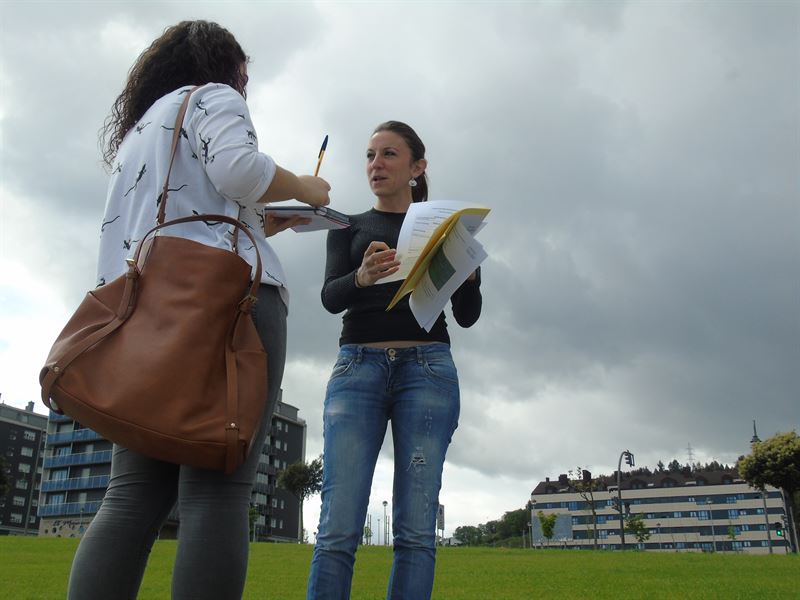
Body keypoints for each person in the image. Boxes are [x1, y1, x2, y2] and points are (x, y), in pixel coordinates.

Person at [66, 20, 330, 600]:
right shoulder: (215, 98)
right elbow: (239, 169)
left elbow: (186, 210)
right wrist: (305, 189)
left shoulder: (140, 130)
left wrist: (264, 220)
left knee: (132, 497)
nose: (245, 86)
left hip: (146, 317)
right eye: (244, 74)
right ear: (227, 67)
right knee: (217, 490)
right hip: (226, 307)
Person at [306, 121, 482, 600]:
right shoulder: (348, 226)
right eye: (369, 155)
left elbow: (466, 318)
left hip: (427, 369)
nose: (375, 165)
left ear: (416, 168)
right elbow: (328, 297)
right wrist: (361, 277)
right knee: (338, 526)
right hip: (357, 368)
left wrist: (469, 278)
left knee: (417, 530)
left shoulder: (446, 228)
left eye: (388, 155)